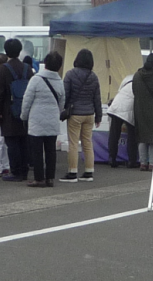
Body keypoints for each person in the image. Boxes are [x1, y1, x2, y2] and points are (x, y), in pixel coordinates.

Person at [21, 51, 65, 187]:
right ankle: (50, 178)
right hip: (52, 119)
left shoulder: (36, 79)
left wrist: (24, 116)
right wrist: (56, 113)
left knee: (37, 151)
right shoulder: (60, 82)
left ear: (45, 63)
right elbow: (61, 102)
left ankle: (39, 178)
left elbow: (27, 100)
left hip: (36, 119)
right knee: (51, 150)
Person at [0, 38, 34, 182]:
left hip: (8, 110)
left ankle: (15, 171)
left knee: (12, 143)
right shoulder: (27, 68)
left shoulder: (3, 69)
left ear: (6, 51)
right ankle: (24, 171)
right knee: (24, 141)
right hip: (25, 109)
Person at [60, 48, 102, 183]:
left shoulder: (70, 74)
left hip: (75, 114)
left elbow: (65, 94)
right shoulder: (93, 76)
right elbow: (97, 98)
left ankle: (72, 172)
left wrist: (64, 110)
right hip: (89, 113)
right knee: (87, 143)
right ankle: (89, 171)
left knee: (73, 143)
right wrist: (99, 116)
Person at [107, 75, 138, 168]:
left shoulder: (127, 79)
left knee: (114, 134)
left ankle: (112, 158)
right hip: (129, 108)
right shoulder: (142, 82)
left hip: (117, 105)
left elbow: (119, 91)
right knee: (132, 135)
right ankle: (132, 161)